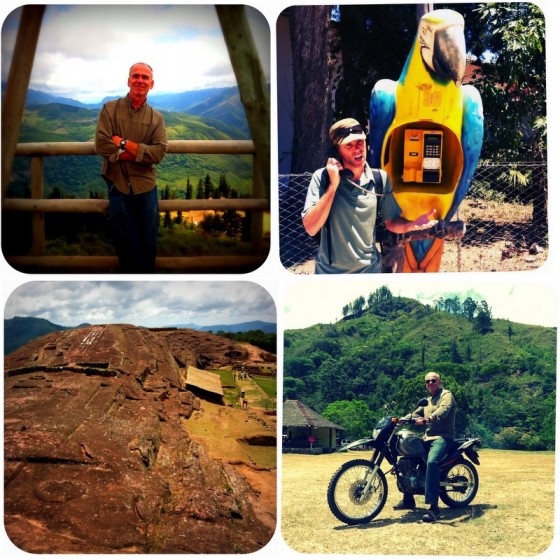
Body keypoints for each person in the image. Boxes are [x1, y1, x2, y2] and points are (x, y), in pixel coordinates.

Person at [301, 118, 437, 274]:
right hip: (330, 275)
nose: (357, 149)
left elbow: (391, 221)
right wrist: (333, 186)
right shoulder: (323, 178)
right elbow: (311, 228)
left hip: (369, 272)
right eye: (349, 145)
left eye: (360, 142)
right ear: (337, 152)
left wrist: (412, 224)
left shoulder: (380, 179)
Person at [95, 62, 168, 273]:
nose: (140, 80)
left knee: (148, 243)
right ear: (128, 81)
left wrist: (123, 144)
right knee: (125, 244)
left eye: (145, 77)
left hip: (146, 189)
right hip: (117, 185)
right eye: (136, 76)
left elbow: (159, 153)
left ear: (151, 84)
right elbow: (101, 144)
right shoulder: (110, 109)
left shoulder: (157, 118)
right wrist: (140, 153)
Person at [394, 372, 457, 522]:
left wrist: (429, 418)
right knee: (405, 461)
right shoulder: (427, 401)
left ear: (439, 382)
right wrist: (400, 420)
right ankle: (408, 499)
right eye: (427, 381)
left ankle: (434, 507)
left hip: (443, 437)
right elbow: (414, 414)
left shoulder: (446, 395)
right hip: (427, 438)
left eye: (433, 380)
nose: (430, 383)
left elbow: (444, 409)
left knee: (432, 462)